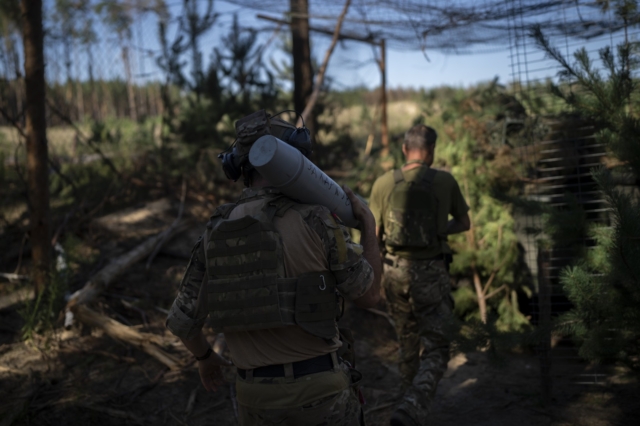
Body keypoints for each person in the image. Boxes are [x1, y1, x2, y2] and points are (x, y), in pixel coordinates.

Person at [166, 111, 381, 426]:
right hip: (321, 394)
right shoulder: (317, 220)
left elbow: (183, 321)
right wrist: (370, 228)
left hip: (255, 400)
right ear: (294, 160)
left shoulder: (216, 230)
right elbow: (370, 295)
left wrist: (205, 358)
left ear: (238, 167)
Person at [368, 124, 470, 426]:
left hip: (394, 273)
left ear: (404, 149)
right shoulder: (445, 182)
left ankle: (405, 400)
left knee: (407, 339)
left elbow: (373, 236)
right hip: (430, 275)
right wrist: (440, 230)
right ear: (432, 151)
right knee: (438, 346)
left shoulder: (383, 184)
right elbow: (464, 222)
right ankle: (412, 407)